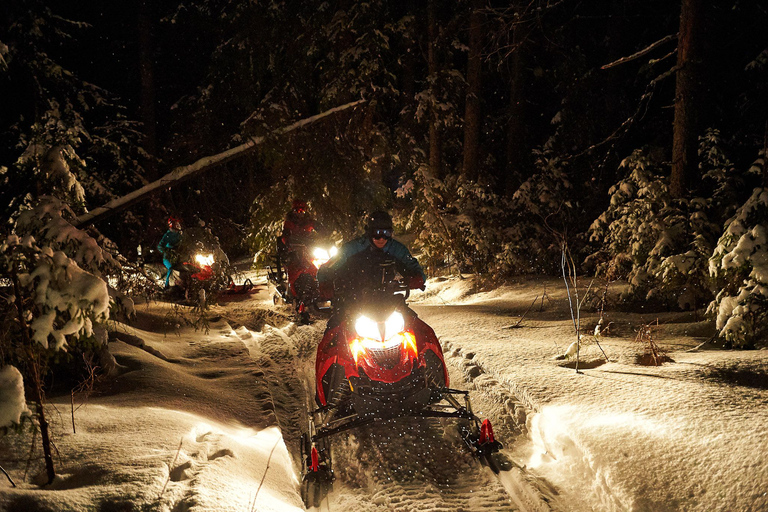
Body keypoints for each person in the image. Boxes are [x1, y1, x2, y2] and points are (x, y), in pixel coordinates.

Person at [317, 210, 426, 305]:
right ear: (369, 232)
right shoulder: (352, 249)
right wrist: (325, 283)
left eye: (386, 233)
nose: (382, 238)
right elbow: (326, 269)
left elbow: (414, 267)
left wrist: (418, 279)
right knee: (335, 327)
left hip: (386, 301)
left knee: (416, 326)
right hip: (352, 301)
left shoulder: (397, 249)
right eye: (377, 233)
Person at [157, 217, 183, 288]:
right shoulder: (167, 235)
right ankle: (166, 285)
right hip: (168, 257)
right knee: (171, 268)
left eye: (178, 224)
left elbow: (185, 242)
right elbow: (159, 246)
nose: (178, 225)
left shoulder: (180, 235)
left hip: (178, 256)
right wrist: (167, 250)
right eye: (176, 224)